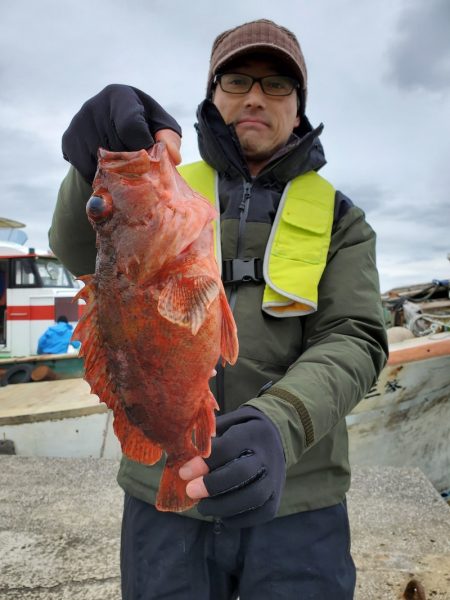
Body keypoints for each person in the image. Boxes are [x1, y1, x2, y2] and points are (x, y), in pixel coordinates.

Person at [49, 19, 388, 600]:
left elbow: (356, 336)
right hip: (164, 495)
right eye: (236, 79)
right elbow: (82, 250)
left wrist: (280, 426)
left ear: (299, 107)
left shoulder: (341, 218)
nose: (255, 95)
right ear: (212, 95)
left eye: (278, 83)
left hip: (296, 498)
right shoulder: (163, 186)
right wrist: (87, 173)